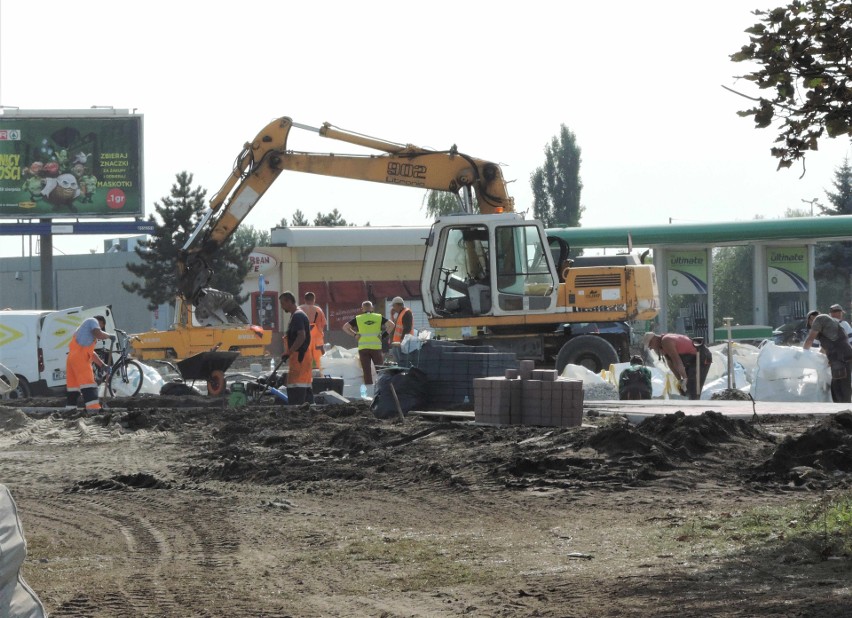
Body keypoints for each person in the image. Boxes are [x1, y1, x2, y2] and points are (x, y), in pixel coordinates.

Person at [65, 314, 114, 412]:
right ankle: (94, 410)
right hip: (80, 359)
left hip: (71, 359)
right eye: (101, 326)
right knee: (88, 385)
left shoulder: (82, 332)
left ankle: (70, 411)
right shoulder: (92, 321)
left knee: (73, 388)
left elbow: (90, 353)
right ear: (100, 322)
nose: (101, 328)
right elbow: (99, 334)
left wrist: (102, 365)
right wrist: (109, 336)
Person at [342, 300, 394, 392]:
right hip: (376, 348)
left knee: (366, 371)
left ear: (362, 309)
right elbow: (391, 325)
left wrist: (355, 335)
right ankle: (383, 390)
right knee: (380, 370)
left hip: (363, 348)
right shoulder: (378, 317)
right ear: (372, 308)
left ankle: (370, 391)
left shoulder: (358, 318)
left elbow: (345, 327)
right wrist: (383, 335)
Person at [643, 331, 712, 400]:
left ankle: (694, 406)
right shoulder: (662, 346)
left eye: (650, 345)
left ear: (653, 339)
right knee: (684, 389)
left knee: (692, 387)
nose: (651, 348)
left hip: (701, 356)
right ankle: (690, 403)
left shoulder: (666, 341)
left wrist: (685, 378)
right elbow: (671, 364)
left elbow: (677, 361)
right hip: (692, 361)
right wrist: (679, 380)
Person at [803, 309, 852, 403]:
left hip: (840, 356)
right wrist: (825, 359)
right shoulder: (827, 325)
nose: (812, 321)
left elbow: (809, 340)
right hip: (841, 356)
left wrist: (803, 354)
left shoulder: (819, 319)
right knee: (838, 384)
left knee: (840, 386)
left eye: (812, 319)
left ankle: (845, 411)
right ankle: (843, 409)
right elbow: (825, 347)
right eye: (810, 320)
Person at [278, 291, 314, 405]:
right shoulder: (297, 315)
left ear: (289, 301)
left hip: (299, 359)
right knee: (306, 394)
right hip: (302, 359)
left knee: (296, 391)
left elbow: (301, 336)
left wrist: (289, 351)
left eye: (282, 303)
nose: (281, 307)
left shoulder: (298, 316)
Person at [299, 291, 327, 372]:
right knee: (320, 361)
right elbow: (323, 324)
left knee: (304, 359)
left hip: (303, 337)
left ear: (304, 299)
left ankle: (304, 377)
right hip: (317, 339)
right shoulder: (318, 310)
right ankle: (323, 377)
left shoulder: (299, 309)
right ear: (314, 299)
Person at [389, 296, 414, 366]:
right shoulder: (401, 313)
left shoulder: (406, 312)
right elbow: (394, 326)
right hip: (397, 343)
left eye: (393, 306)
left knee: (403, 363)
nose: (393, 308)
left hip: (402, 343)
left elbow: (407, 328)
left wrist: (402, 340)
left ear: (397, 305)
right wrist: (392, 315)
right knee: (399, 363)